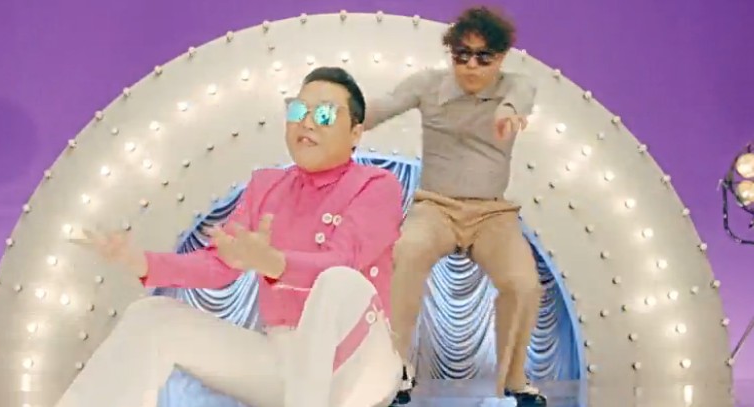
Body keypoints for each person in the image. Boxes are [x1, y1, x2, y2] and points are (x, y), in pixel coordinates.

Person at [55, 66, 406, 407]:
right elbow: (219, 264)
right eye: (298, 111)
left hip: (361, 364)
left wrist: (275, 263)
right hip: (284, 364)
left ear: (356, 133)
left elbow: (343, 260)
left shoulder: (377, 186)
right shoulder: (267, 186)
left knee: (338, 280)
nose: (308, 123)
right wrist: (142, 262)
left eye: (325, 114)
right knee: (151, 316)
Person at [364, 6, 547, 406]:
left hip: (492, 214)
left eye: (483, 56)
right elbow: (383, 106)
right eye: (462, 55)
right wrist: (344, 114)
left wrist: (508, 112)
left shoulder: (516, 86)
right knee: (406, 254)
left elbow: (521, 97)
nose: (471, 65)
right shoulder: (428, 85)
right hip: (436, 207)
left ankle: (514, 381)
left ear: (501, 57)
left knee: (524, 284)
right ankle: (394, 371)